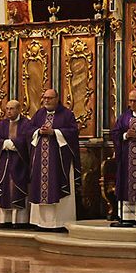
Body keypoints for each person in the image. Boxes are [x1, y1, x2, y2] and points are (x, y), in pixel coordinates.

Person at [25, 87, 80, 232]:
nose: (47, 101)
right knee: (40, 187)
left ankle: (60, 223)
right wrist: (38, 131)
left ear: (57, 99)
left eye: (50, 98)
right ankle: (40, 222)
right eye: (45, 98)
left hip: (59, 161)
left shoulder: (67, 114)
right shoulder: (39, 114)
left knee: (57, 187)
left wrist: (54, 132)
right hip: (40, 161)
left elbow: (73, 132)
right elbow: (29, 130)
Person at [108, 88, 136, 227]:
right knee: (126, 184)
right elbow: (115, 132)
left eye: (135, 101)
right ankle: (127, 216)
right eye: (130, 100)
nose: (132, 103)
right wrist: (125, 135)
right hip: (126, 157)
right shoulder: (124, 116)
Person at [0, 99, 29, 227]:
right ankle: (4, 220)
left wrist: (15, 144)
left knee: (16, 188)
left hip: (19, 162)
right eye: (7, 108)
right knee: (3, 186)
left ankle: (18, 221)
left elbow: (26, 139)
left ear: (19, 109)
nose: (8, 111)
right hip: (4, 162)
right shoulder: (2, 124)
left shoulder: (26, 123)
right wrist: (4, 143)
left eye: (11, 108)